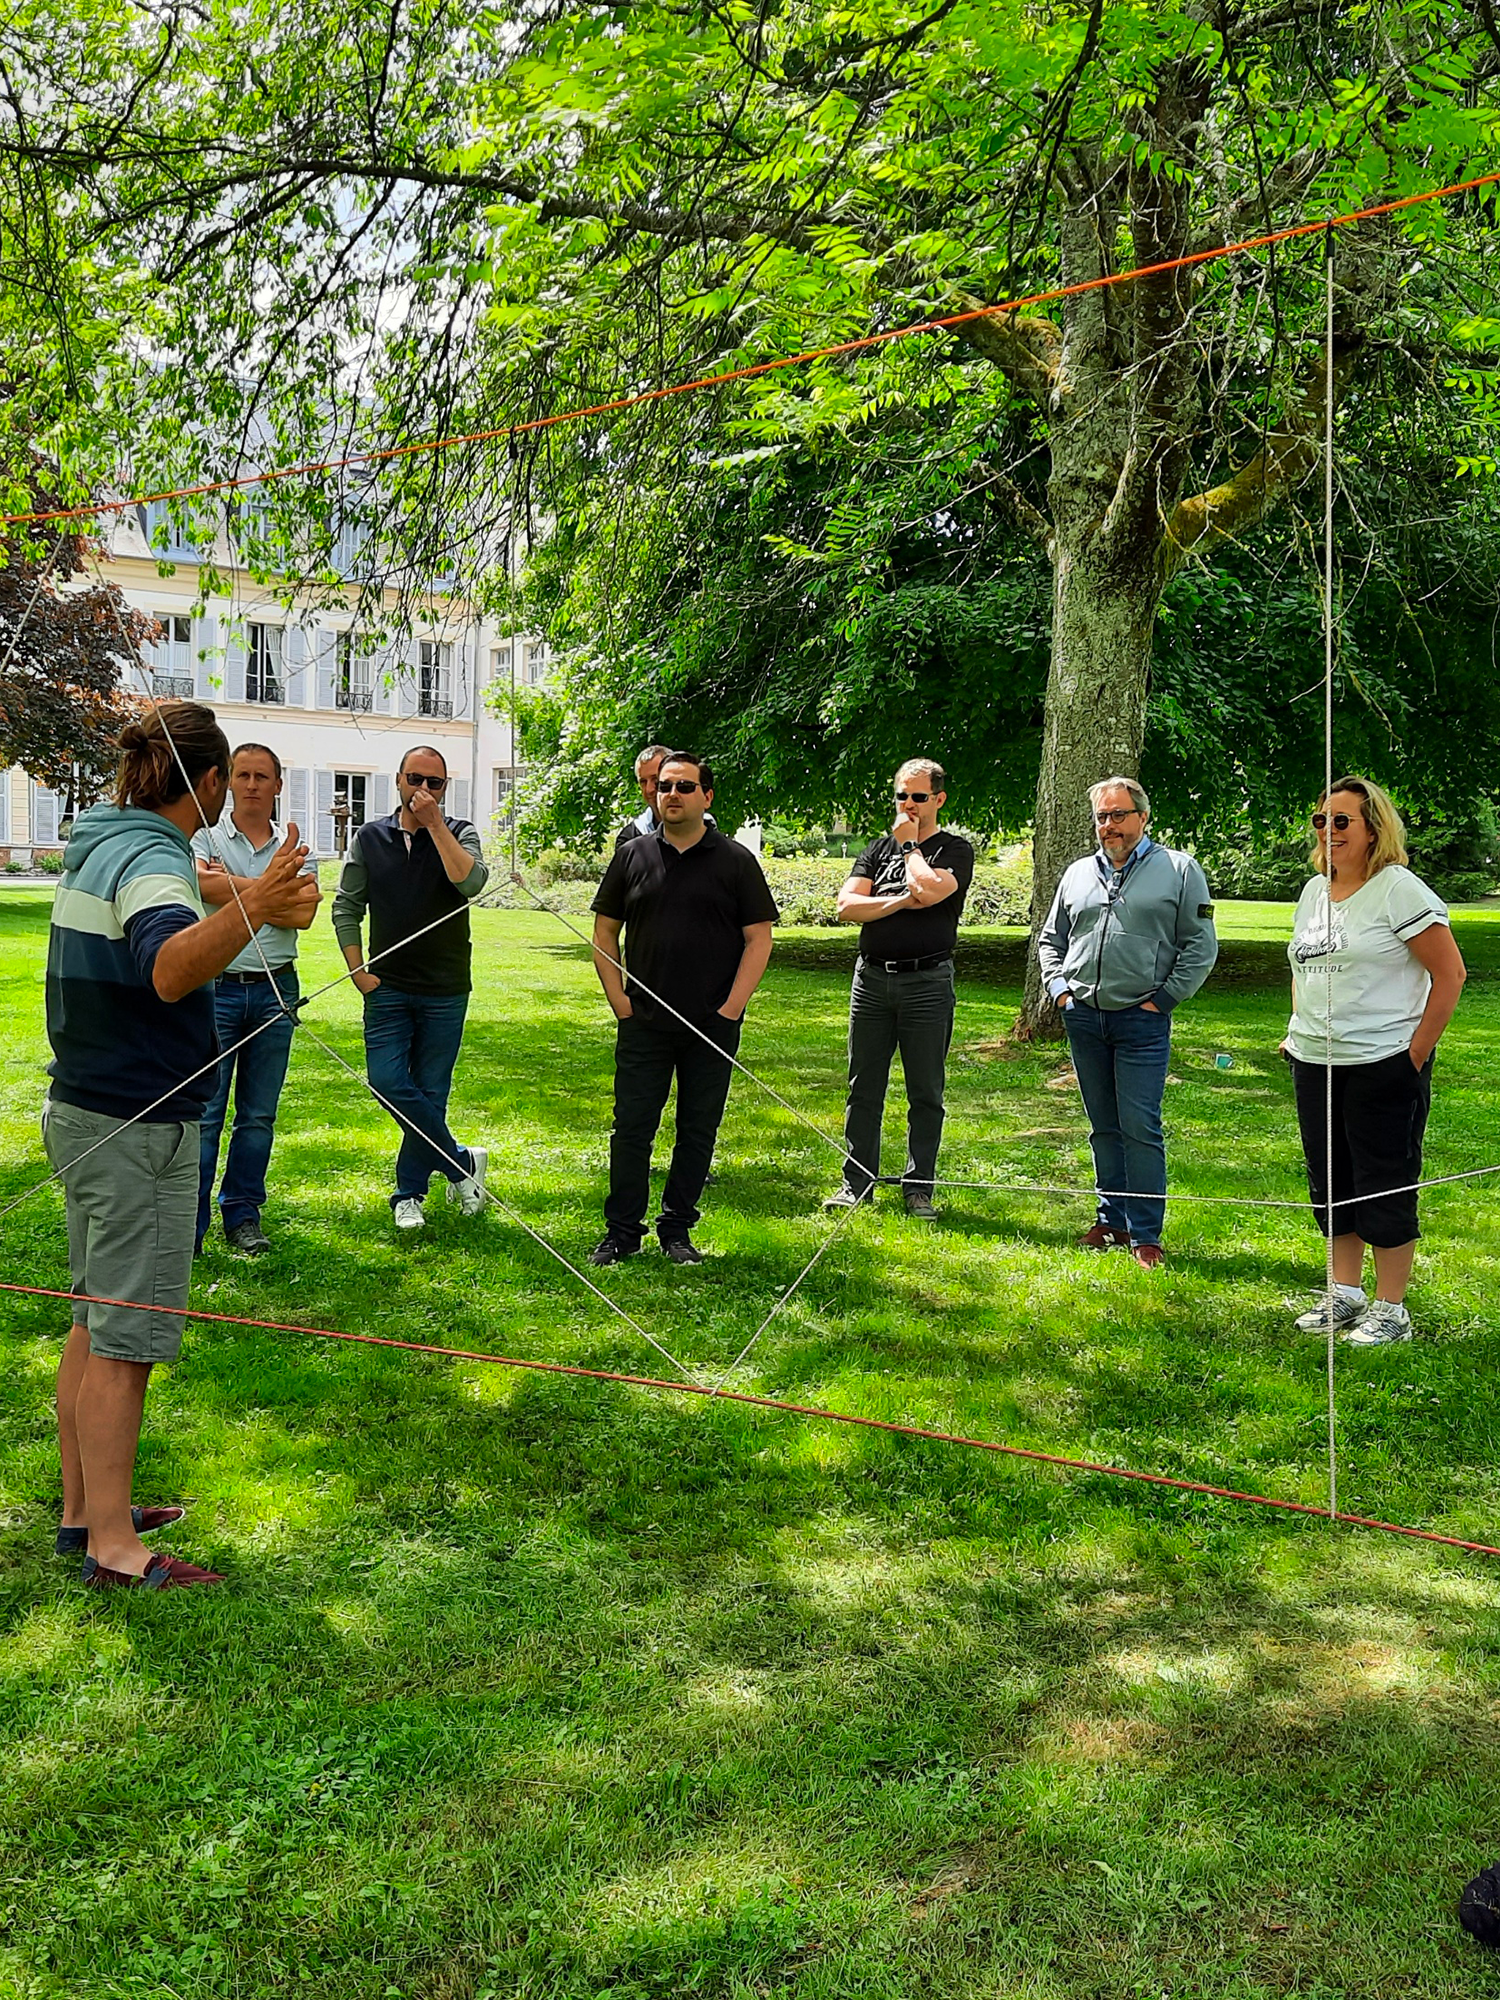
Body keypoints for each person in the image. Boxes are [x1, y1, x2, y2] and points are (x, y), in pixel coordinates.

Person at [43, 702, 318, 1587]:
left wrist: (245, 894)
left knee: (94, 1319)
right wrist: (262, 903)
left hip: (84, 1112)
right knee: (124, 1340)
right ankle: (115, 1552)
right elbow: (168, 967)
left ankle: (89, 1510)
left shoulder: (102, 837)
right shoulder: (157, 856)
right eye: (223, 779)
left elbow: (158, 918)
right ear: (204, 782)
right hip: (135, 1127)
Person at [1282, 776, 1465, 1344]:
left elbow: (1451, 975)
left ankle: (1391, 1308)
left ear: (1373, 829)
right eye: (1321, 820)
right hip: (1315, 1062)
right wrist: (1297, 1034)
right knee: (1330, 1181)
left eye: (1342, 821)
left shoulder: (1398, 889)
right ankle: (1345, 1293)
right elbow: (1302, 968)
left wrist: (1412, 1056)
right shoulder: (1315, 891)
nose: (1329, 831)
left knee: (1383, 1181)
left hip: (1381, 1062)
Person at [589, 752, 778, 1265]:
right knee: (632, 1127)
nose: (671, 794)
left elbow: (759, 940)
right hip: (643, 1024)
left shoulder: (736, 861)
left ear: (706, 796)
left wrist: (731, 1009)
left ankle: (677, 1230)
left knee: (697, 1129)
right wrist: (619, 1000)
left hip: (711, 1026)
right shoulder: (631, 855)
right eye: (665, 786)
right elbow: (605, 932)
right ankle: (622, 1232)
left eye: (684, 787)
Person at [1037, 776, 1219, 1269]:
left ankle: (1145, 1233)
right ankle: (1110, 1220)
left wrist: (1162, 1001)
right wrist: (1061, 991)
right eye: (1102, 817)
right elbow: (1050, 939)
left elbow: (1201, 946)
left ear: (1142, 817)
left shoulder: (1180, 871)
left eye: (1119, 815)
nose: (1109, 825)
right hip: (1084, 1018)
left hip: (1141, 1021)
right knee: (1103, 1127)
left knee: (1139, 1125)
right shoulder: (1076, 873)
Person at [332, 744, 491, 1231]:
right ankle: (462, 1163)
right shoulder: (370, 837)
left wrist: (437, 826)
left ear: (445, 789)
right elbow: (345, 905)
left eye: (435, 783)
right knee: (387, 1083)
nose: (423, 790)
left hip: (445, 988)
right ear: (398, 781)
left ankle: (408, 1194)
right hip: (387, 988)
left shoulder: (460, 832)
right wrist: (358, 971)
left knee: (429, 1091)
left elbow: (472, 883)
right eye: (415, 779)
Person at [823, 759, 974, 1219]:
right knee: (862, 1085)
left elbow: (931, 890)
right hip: (871, 981)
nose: (907, 805)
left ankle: (918, 1188)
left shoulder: (954, 849)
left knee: (925, 1090)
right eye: (901, 796)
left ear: (939, 800)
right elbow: (847, 906)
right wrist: (901, 901)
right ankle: (856, 1184)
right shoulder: (875, 849)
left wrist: (910, 850)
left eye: (918, 797)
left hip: (927, 982)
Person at [191, 742, 320, 1255]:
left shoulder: (293, 846)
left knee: (258, 1116)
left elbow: (305, 912)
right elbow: (199, 884)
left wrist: (235, 888)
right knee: (205, 1115)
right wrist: (271, 890)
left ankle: (242, 1214)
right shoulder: (204, 837)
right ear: (226, 782)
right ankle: (190, 1224)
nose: (250, 785)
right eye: (241, 775)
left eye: (260, 776)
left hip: (274, 991)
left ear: (277, 786)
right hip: (217, 989)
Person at [615, 744, 673, 847]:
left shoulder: (704, 831)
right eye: (643, 782)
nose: (649, 789)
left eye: (656, 779)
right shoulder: (630, 838)